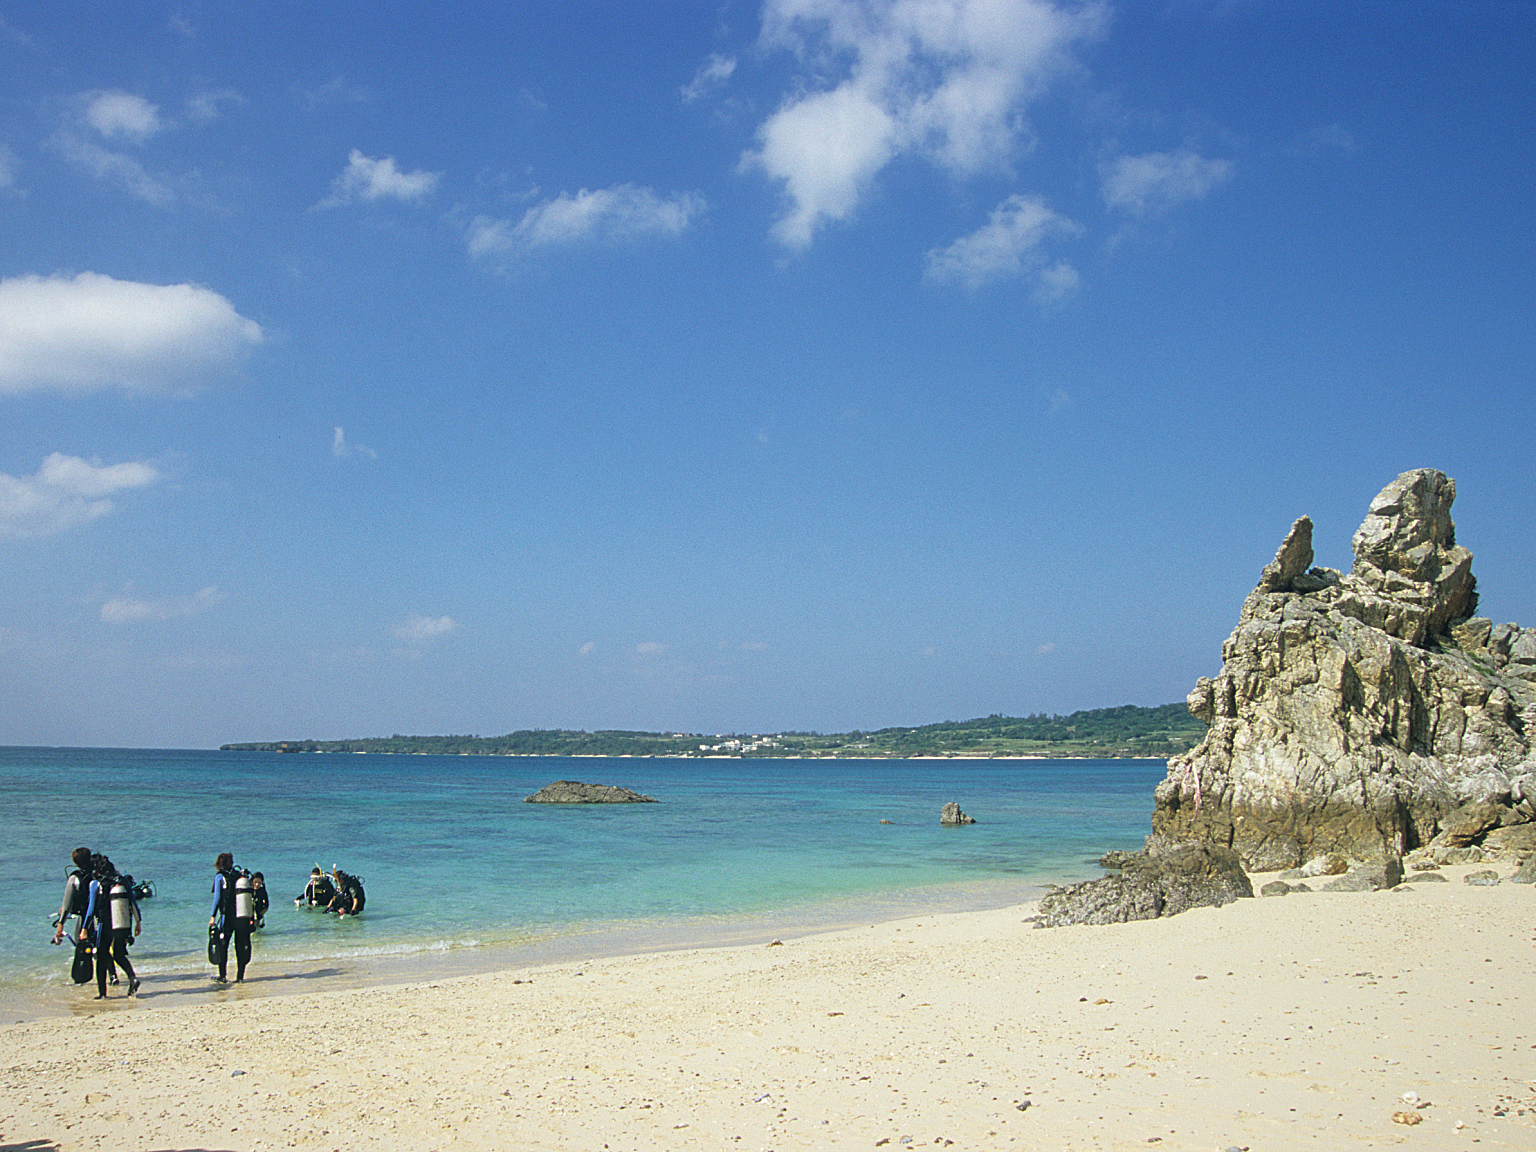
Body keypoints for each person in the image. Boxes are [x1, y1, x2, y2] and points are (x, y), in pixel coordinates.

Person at [85, 857, 140, 999]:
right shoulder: (123, 881)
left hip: (105, 924)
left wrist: (85, 928)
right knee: (119, 955)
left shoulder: (96, 884)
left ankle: (102, 993)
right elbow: (133, 903)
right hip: (123, 924)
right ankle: (132, 978)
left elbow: (91, 909)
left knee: (102, 958)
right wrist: (138, 922)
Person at [208, 853, 254, 983]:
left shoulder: (219, 877)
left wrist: (212, 916)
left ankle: (222, 976)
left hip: (227, 917)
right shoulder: (239, 875)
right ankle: (240, 977)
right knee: (240, 946)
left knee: (223, 946)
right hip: (242, 916)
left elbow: (217, 898)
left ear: (219, 863)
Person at [51, 846, 94, 948]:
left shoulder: (75, 878)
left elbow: (67, 904)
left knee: (81, 949)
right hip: (100, 918)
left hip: (84, 919)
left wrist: (60, 925)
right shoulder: (97, 875)